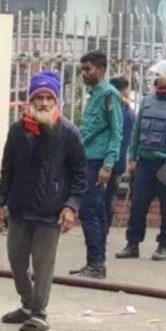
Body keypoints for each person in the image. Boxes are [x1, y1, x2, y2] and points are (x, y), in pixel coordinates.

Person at [0, 72, 87, 331]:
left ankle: (39, 312)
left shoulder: (68, 133)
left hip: (51, 210)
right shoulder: (17, 131)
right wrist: (0, 204)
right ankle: (26, 304)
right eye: (39, 98)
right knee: (16, 260)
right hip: (20, 208)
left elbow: (80, 174)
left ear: (56, 102)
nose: (44, 103)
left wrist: (71, 206)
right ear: (30, 101)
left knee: (43, 265)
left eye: (49, 98)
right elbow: (7, 169)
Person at [114, 58, 166, 262]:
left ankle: (163, 245)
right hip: (145, 163)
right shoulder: (147, 101)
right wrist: (132, 157)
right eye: (158, 75)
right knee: (138, 204)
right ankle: (132, 244)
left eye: (163, 75)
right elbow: (136, 131)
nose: (158, 78)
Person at [70, 51, 123, 279]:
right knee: (97, 212)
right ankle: (96, 261)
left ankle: (96, 264)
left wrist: (108, 164)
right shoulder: (95, 94)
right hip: (88, 158)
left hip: (97, 161)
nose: (84, 74)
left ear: (101, 69)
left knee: (90, 211)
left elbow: (116, 131)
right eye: (82, 69)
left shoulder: (109, 95)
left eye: (88, 69)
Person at [107, 76, 136, 233]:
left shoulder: (118, 112)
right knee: (110, 195)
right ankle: (104, 227)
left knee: (105, 196)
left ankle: (103, 227)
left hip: (108, 160)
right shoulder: (129, 113)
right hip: (117, 162)